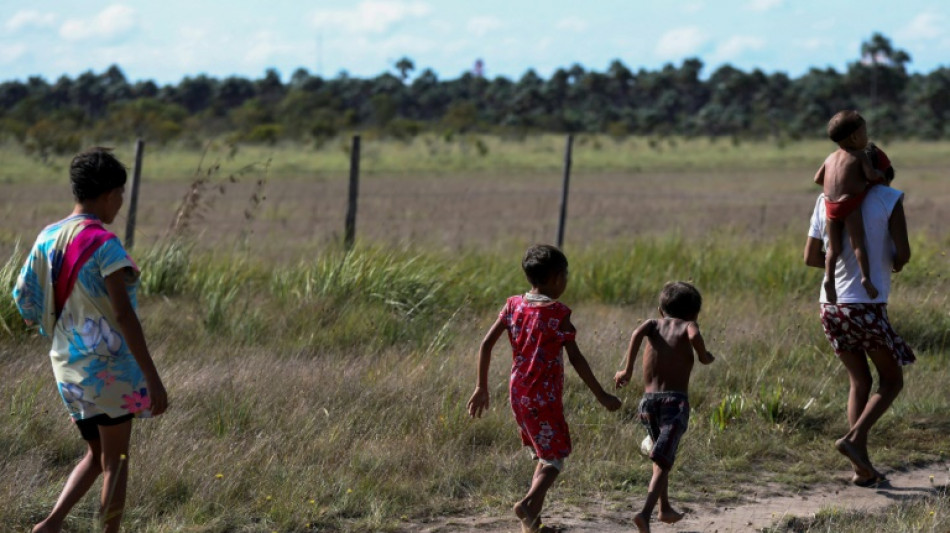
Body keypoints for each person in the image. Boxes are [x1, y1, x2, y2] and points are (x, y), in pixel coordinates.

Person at [13, 147, 169, 533]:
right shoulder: (105, 244)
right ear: (108, 193)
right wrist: (152, 378)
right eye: (120, 194)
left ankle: (48, 526)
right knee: (117, 461)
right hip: (108, 371)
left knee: (98, 453)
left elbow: (23, 300)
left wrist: (60, 331)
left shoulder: (47, 237)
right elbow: (123, 314)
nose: (120, 203)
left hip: (67, 367)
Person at [467, 244, 621, 533]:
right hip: (544, 396)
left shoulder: (513, 305)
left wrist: (481, 387)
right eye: (566, 275)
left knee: (543, 454)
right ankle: (526, 505)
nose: (567, 281)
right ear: (554, 278)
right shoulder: (558, 313)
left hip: (518, 394)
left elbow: (485, 344)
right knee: (555, 456)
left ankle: (532, 525)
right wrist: (601, 395)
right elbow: (576, 358)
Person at [804, 143, 913, 487]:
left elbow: (810, 256)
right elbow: (903, 254)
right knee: (891, 380)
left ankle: (860, 468)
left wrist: (836, 258)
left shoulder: (825, 201)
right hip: (865, 305)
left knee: (859, 381)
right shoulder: (890, 198)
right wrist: (891, 261)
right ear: (881, 173)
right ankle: (854, 439)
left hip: (830, 306)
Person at [614, 281, 715, 533]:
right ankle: (645, 513)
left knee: (661, 456)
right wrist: (703, 356)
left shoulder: (652, 324)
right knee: (664, 457)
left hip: (648, 403)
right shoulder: (688, 325)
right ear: (694, 313)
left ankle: (664, 507)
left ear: (661, 310)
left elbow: (636, 333)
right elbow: (694, 336)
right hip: (675, 403)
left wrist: (627, 369)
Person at [814, 110, 887, 304]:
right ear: (854, 137)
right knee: (858, 245)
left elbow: (817, 179)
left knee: (832, 248)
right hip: (849, 204)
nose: (867, 137)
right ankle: (865, 278)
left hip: (830, 205)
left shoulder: (830, 158)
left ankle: (829, 279)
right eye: (865, 133)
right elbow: (870, 176)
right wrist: (879, 174)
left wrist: (834, 185)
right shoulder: (860, 155)